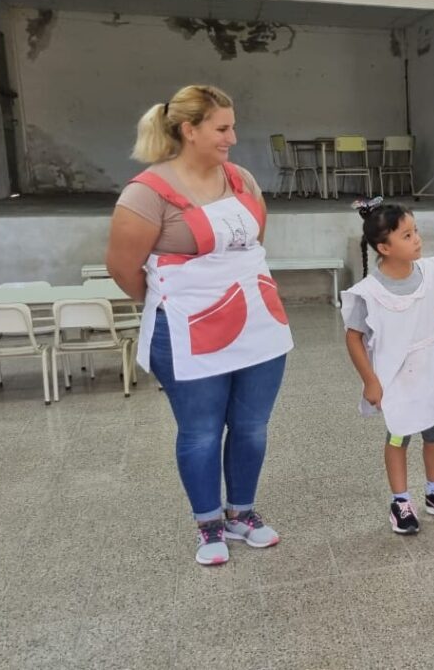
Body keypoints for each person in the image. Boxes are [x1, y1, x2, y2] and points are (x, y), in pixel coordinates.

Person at [106, 85, 292, 566]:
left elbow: (253, 245)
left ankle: (242, 513)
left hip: (256, 322)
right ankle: (209, 523)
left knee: (251, 426)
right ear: (189, 130)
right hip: (189, 330)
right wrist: (180, 301)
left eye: (232, 126)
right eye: (222, 128)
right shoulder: (146, 194)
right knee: (201, 431)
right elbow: (124, 268)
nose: (232, 137)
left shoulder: (241, 179)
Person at [341, 199, 434, 535]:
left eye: (416, 231)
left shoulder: (430, 272)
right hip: (397, 378)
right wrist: (370, 381)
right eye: (407, 235)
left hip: (431, 368)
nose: (417, 239)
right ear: (384, 247)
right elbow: (353, 338)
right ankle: (400, 500)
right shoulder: (369, 292)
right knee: (399, 435)